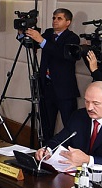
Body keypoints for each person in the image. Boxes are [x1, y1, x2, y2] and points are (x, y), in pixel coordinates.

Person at [36, 81, 102, 174]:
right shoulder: (79, 116)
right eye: (87, 101)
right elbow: (60, 139)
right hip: (83, 176)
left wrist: (88, 160)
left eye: (96, 103)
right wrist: (48, 150)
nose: (90, 108)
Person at [23, 9, 81, 139]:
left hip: (64, 89)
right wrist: (23, 34)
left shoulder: (72, 38)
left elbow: (62, 54)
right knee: (46, 124)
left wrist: (41, 40)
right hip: (46, 87)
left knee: (69, 123)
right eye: (54, 18)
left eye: (59, 18)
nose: (55, 21)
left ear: (68, 22)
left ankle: (71, 148)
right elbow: (33, 45)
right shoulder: (49, 33)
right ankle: (46, 147)